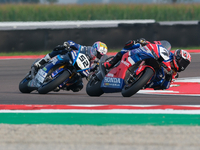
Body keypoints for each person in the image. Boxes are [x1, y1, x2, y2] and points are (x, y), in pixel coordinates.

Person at [103, 38, 191, 90]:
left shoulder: (174, 73)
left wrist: (168, 77)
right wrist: (145, 42)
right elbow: (158, 44)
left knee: (159, 80)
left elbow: (165, 86)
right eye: (183, 62)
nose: (183, 65)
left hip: (154, 72)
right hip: (150, 56)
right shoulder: (169, 54)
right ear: (177, 57)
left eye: (185, 64)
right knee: (133, 44)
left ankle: (141, 83)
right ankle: (110, 63)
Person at [34, 40, 108, 92]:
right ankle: (42, 61)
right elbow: (73, 44)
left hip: (76, 71)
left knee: (79, 86)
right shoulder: (85, 49)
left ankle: (59, 85)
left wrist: (92, 74)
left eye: (100, 56)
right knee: (59, 49)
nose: (97, 56)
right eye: (97, 53)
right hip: (69, 59)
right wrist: (68, 44)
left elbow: (93, 73)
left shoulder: (95, 63)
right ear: (93, 49)